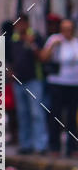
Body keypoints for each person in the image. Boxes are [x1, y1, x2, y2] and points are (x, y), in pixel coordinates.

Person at [8, 13, 48, 154]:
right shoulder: (13, 39)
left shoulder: (35, 37)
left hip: (34, 80)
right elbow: (9, 58)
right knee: (22, 114)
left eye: (21, 24)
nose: (18, 27)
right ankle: (26, 144)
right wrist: (10, 72)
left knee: (36, 113)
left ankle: (40, 145)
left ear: (26, 23)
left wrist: (31, 44)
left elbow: (43, 57)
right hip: (18, 81)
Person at [41, 17, 78, 157]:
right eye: (64, 30)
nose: (66, 33)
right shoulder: (54, 39)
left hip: (73, 83)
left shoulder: (75, 43)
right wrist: (52, 46)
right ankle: (54, 146)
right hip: (57, 83)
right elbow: (43, 58)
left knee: (71, 117)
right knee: (55, 115)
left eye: (69, 30)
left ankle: (72, 147)